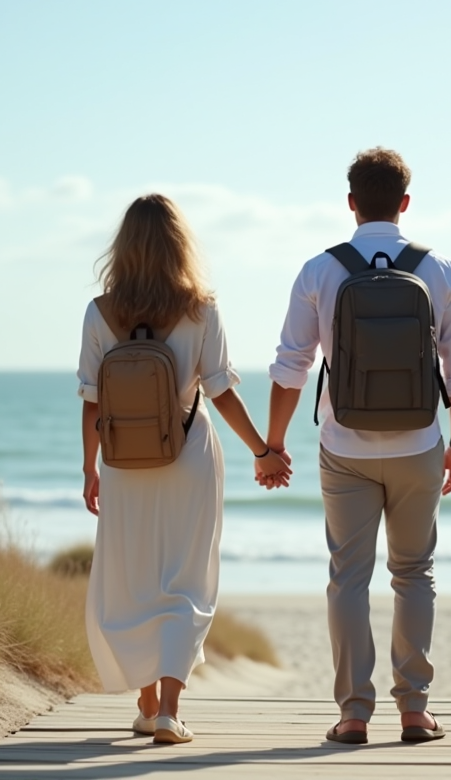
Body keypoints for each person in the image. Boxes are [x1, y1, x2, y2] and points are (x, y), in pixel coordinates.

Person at [261, 148, 451, 744]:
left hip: (345, 445)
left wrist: (272, 445)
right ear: (404, 203)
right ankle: (415, 711)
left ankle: (354, 714)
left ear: (351, 203)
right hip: (419, 444)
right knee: (414, 574)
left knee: (348, 578)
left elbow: (290, 368)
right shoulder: (440, 270)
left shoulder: (319, 270)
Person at [77, 194, 290, 745]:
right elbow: (219, 391)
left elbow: (91, 401)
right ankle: (170, 710)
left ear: (124, 246)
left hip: (124, 460)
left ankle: (146, 704)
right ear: (180, 245)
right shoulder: (202, 308)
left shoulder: (100, 312)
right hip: (190, 454)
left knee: (134, 579)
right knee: (186, 580)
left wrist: (89, 466)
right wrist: (263, 450)